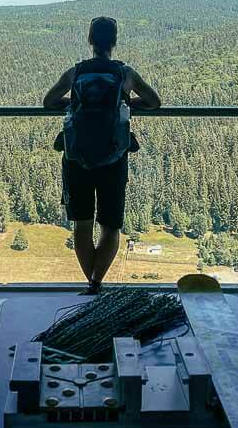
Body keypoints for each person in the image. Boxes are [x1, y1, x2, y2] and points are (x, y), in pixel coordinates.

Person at [43, 16, 161, 294]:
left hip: (77, 158)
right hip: (114, 158)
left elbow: (48, 101)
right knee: (110, 225)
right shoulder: (125, 74)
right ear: (115, 42)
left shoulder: (76, 73)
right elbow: (155, 102)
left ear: (90, 41)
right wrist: (126, 102)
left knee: (82, 225)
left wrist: (74, 103)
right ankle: (97, 282)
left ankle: (91, 283)